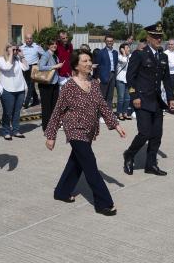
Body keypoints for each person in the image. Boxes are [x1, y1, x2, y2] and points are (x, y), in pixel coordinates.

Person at [45, 50, 126, 216]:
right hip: (75, 130)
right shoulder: (69, 86)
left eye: (90, 60)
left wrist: (116, 126)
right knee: (90, 163)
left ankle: (61, 192)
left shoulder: (94, 84)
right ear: (76, 65)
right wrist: (51, 135)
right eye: (85, 61)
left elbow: (103, 106)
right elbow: (57, 111)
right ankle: (103, 203)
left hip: (89, 130)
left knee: (76, 161)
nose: (89, 63)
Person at [123, 22, 174, 176]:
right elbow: (130, 77)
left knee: (157, 135)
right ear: (148, 37)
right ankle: (130, 154)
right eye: (155, 36)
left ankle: (150, 164)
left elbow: (167, 80)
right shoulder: (139, 54)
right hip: (142, 100)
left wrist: (171, 98)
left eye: (160, 37)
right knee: (144, 133)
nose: (158, 39)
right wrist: (134, 96)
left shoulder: (163, 56)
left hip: (157, 101)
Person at [0, 43, 29, 140]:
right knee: (7, 112)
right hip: (7, 89)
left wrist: (22, 55)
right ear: (7, 50)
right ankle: (6, 131)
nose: (15, 52)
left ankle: (16, 130)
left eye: (16, 50)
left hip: (20, 89)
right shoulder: (1, 59)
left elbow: (26, 68)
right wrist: (10, 54)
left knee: (17, 112)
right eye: (13, 50)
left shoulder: (18, 59)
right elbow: (7, 67)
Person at [38, 39, 63, 132]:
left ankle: (53, 126)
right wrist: (55, 66)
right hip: (46, 84)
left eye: (55, 43)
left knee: (54, 106)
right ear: (48, 46)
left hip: (54, 83)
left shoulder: (54, 55)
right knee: (46, 107)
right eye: (52, 44)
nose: (54, 45)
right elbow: (41, 67)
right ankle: (46, 127)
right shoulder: (46, 54)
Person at [20, 33, 44, 108]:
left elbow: (44, 55)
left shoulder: (37, 47)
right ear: (25, 39)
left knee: (31, 84)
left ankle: (26, 102)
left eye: (30, 38)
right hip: (25, 67)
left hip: (34, 67)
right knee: (29, 84)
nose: (29, 40)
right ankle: (36, 99)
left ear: (32, 39)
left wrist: (40, 62)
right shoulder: (21, 47)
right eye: (27, 38)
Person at [96, 34, 118, 110]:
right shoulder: (101, 52)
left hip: (112, 75)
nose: (109, 42)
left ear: (113, 42)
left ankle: (109, 114)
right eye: (108, 41)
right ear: (105, 42)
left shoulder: (115, 53)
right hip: (103, 76)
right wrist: (97, 77)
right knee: (102, 96)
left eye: (111, 41)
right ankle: (101, 115)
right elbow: (97, 66)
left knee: (110, 96)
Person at [115, 43, 132, 121]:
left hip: (128, 80)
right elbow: (124, 61)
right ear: (122, 49)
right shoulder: (119, 57)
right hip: (120, 80)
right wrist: (124, 53)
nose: (129, 49)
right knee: (121, 98)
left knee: (128, 98)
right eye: (127, 47)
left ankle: (125, 112)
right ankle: (119, 113)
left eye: (129, 47)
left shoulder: (130, 56)